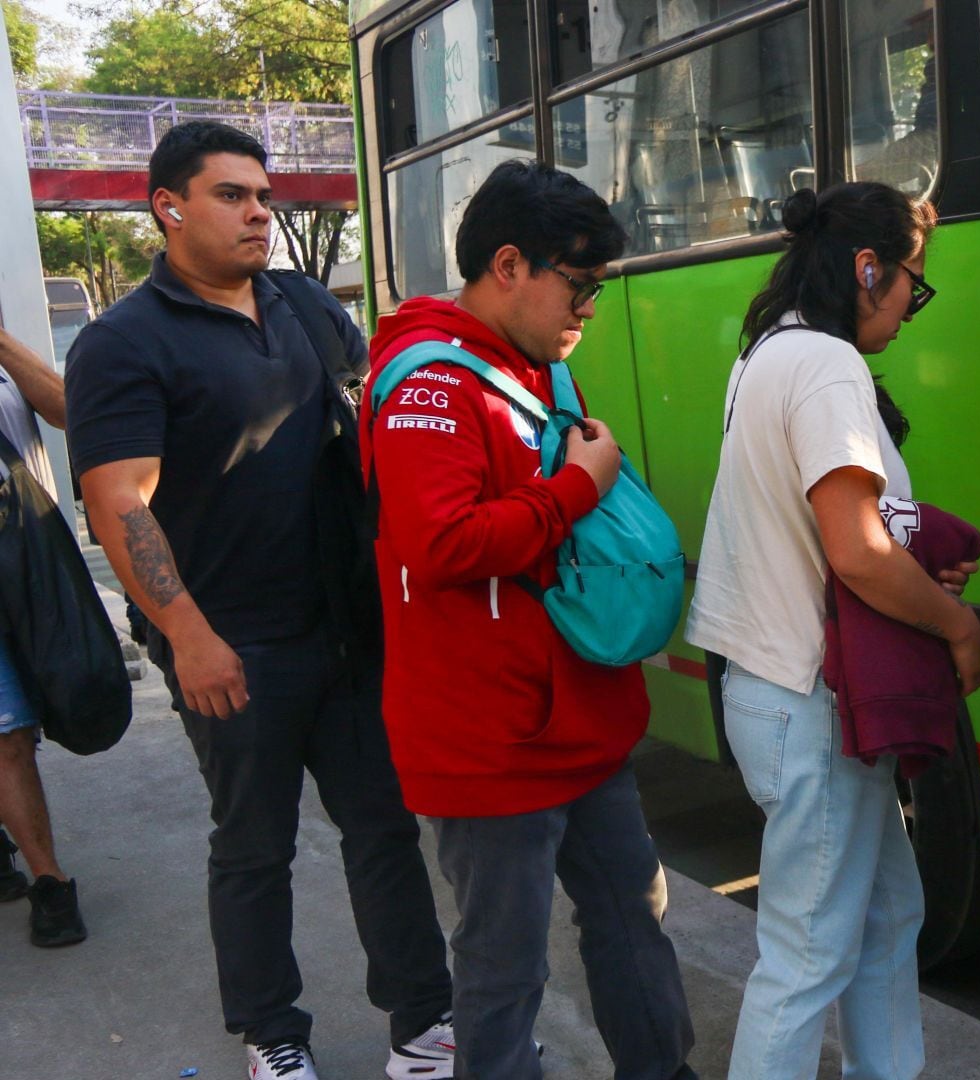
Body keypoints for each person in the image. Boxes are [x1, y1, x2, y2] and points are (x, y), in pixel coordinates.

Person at [65, 121, 455, 1080]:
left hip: (349, 633)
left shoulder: (306, 305)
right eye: (232, 195)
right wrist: (190, 639)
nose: (258, 214)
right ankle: (274, 1034)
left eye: (263, 197)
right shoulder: (123, 343)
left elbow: (367, 423)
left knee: (385, 830)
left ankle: (424, 1022)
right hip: (233, 646)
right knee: (254, 848)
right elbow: (119, 503)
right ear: (169, 206)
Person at [362, 159, 696, 1080]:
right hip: (488, 736)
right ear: (509, 265)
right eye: (578, 285)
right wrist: (571, 491)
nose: (587, 309)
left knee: (634, 914)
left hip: (581, 714)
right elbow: (443, 547)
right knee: (502, 967)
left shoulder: (540, 367)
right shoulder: (428, 383)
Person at [685, 182, 980, 1079]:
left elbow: (830, 527)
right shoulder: (824, 364)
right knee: (805, 958)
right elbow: (855, 555)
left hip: (784, 695)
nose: (909, 308)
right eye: (912, 286)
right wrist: (960, 627)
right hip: (811, 703)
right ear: (869, 269)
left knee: (887, 917)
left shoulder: (769, 352)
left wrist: (913, 549)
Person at [0, 324, 86, 947]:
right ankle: (49, 882)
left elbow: (68, 412)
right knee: (9, 737)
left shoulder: (8, 366)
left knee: (24, 727)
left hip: (30, 569)